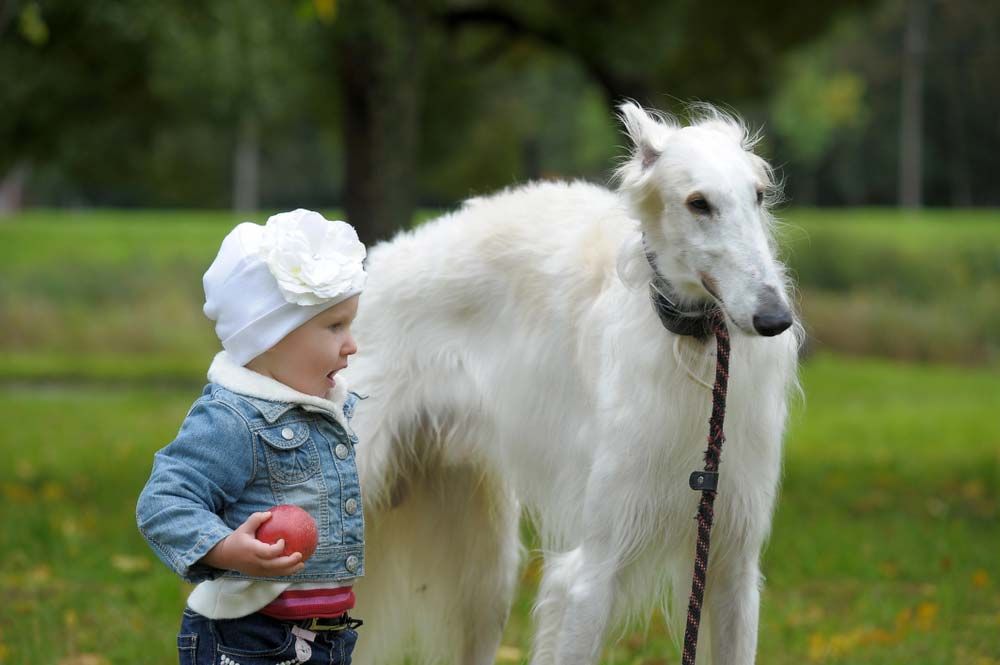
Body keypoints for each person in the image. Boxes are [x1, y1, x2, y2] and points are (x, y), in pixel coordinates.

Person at [136, 209, 368, 665]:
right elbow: (164, 501)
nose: (352, 345)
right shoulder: (233, 419)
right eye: (335, 326)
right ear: (270, 336)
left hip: (329, 638)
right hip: (248, 639)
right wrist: (225, 549)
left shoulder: (330, 408)